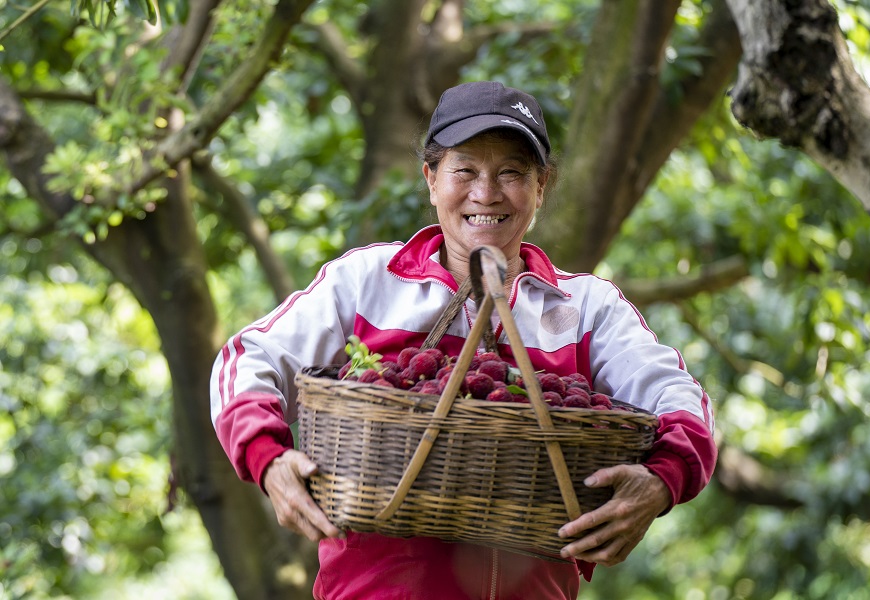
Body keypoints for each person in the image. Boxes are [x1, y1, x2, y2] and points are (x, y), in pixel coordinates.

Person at [210, 81, 717, 599]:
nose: (486, 192)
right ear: (431, 179)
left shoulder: (587, 307)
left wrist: (662, 480)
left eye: (512, 173)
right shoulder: (365, 282)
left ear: (541, 187)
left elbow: (680, 398)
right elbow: (246, 359)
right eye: (465, 170)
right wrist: (267, 459)